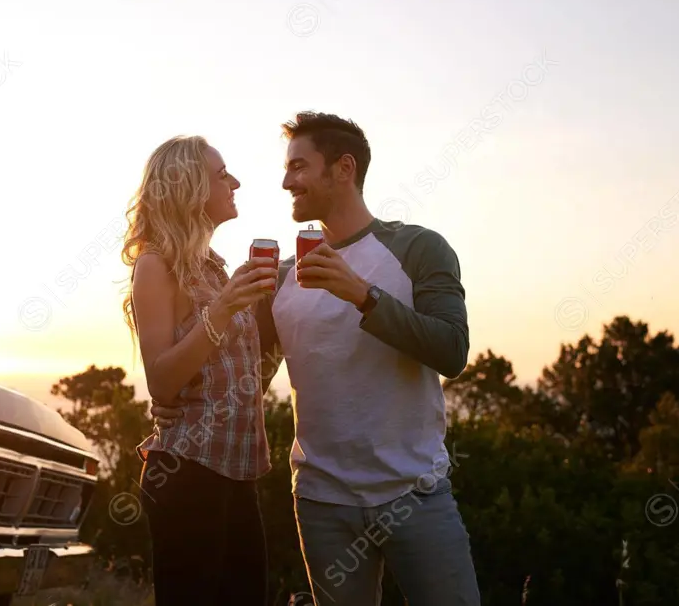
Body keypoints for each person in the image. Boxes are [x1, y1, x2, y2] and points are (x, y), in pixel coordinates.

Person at [152, 112, 482, 606]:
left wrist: (363, 295)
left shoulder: (418, 248)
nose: (286, 181)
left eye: (299, 167)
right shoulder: (282, 277)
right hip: (322, 503)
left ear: (343, 169)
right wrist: (175, 408)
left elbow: (452, 350)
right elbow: (248, 377)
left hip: (417, 496)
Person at [121, 134, 279, 606]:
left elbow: (242, 371)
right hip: (187, 474)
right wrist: (226, 307)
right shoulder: (156, 265)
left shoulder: (215, 269)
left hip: (238, 472)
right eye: (221, 174)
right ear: (189, 187)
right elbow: (162, 380)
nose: (234, 181)